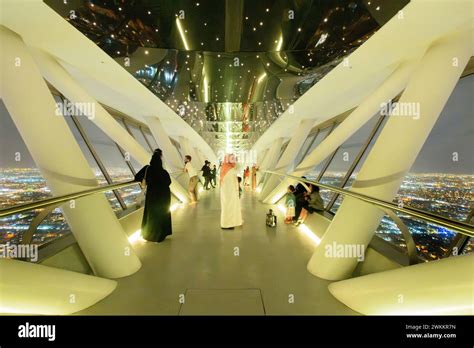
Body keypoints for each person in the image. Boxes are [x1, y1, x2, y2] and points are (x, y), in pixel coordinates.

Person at [134, 149, 172, 242]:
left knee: (152, 214)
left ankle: (150, 235)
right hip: (164, 195)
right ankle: (162, 234)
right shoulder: (164, 172)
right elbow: (169, 182)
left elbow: (136, 177)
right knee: (163, 213)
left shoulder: (147, 169)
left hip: (152, 196)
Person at [220, 154, 243, 229]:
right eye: (232, 159)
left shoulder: (224, 167)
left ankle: (227, 224)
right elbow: (239, 170)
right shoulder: (229, 169)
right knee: (229, 207)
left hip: (227, 192)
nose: (234, 161)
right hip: (229, 192)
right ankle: (227, 224)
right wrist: (237, 162)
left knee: (227, 207)